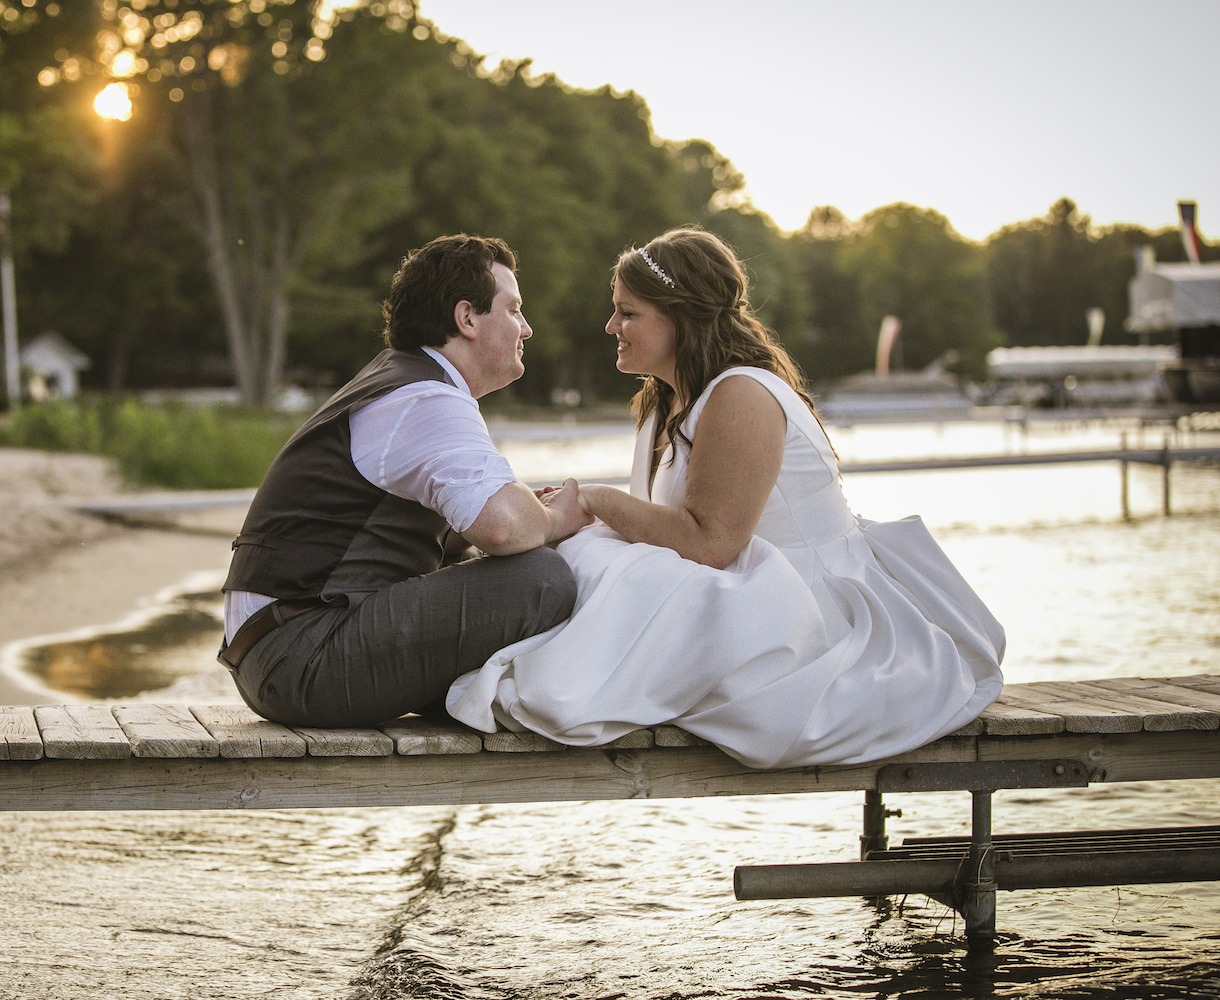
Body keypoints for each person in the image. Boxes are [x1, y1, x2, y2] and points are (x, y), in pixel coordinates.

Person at [447, 228, 1005, 768]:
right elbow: (677, 540)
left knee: (598, 554)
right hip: (742, 591)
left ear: (680, 317)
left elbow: (711, 543)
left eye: (629, 312)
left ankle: (499, 667)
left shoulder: (743, 393)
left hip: (812, 616)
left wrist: (595, 500)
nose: (611, 324)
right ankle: (464, 640)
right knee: (588, 550)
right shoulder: (661, 405)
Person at [220, 234, 589, 728]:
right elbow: (502, 527)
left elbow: (395, 529)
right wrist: (559, 516)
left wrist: (516, 520)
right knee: (542, 578)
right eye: (515, 309)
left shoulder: (402, 381)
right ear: (467, 318)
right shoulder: (424, 397)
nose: (527, 327)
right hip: (299, 656)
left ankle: (507, 696)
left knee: (492, 558)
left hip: (280, 646)